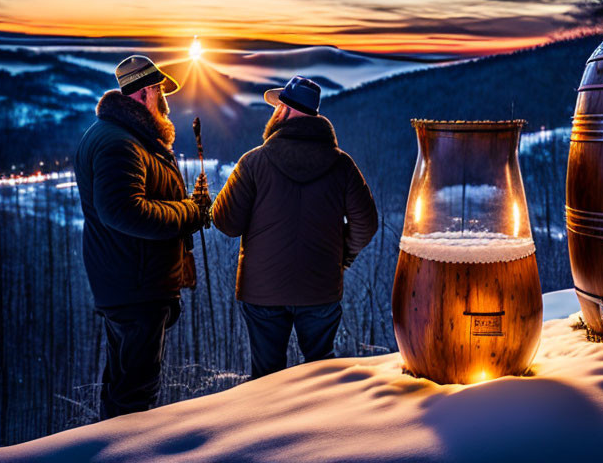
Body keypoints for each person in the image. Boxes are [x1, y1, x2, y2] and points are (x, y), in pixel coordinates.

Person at [213, 75, 377, 378]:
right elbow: (366, 224)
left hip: (262, 292)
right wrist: (343, 256)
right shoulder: (343, 165)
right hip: (321, 288)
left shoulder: (252, 162)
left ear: (284, 111)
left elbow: (226, 222)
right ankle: (322, 425)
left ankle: (266, 424)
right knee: (320, 371)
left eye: (276, 107)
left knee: (266, 375)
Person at [74, 55, 211, 419]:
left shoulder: (124, 135)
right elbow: (123, 211)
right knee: (135, 396)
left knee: (122, 386)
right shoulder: (121, 143)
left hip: (130, 282)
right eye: (160, 92)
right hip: (136, 286)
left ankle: (111, 447)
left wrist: (183, 203)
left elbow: (141, 199)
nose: (165, 102)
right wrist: (191, 213)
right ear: (145, 92)